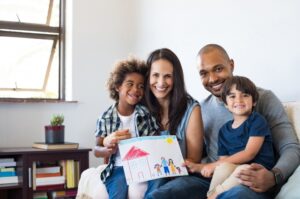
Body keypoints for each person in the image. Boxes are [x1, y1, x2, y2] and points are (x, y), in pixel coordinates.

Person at [193, 44, 300, 198]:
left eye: (218, 69)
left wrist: (274, 176)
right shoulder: (201, 109)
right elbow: (202, 155)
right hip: (216, 177)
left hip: (253, 180)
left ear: (231, 65)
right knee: (171, 190)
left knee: (236, 194)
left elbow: (290, 147)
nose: (213, 78)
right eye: (204, 73)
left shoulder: (263, 100)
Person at [186, 76, 275, 199]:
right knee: (223, 168)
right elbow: (224, 161)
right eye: (232, 96)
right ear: (226, 104)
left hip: (256, 172)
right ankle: (211, 195)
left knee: (242, 169)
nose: (239, 100)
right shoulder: (224, 130)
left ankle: (214, 195)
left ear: (254, 101)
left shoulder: (257, 121)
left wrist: (213, 165)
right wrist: (216, 167)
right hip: (234, 173)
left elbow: (249, 153)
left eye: (245, 95)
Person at [93, 57, 160, 199]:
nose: (136, 90)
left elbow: (157, 139)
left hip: (143, 166)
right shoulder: (105, 117)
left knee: (152, 190)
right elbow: (96, 150)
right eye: (130, 84)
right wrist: (107, 148)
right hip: (118, 168)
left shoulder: (146, 114)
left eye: (141, 86)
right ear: (118, 86)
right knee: (117, 193)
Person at [143, 48, 205, 199]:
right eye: (155, 75)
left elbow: (193, 159)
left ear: (176, 78)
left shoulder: (192, 109)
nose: (161, 83)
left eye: (168, 76)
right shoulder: (141, 108)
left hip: (183, 174)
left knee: (157, 192)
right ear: (147, 77)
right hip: (150, 173)